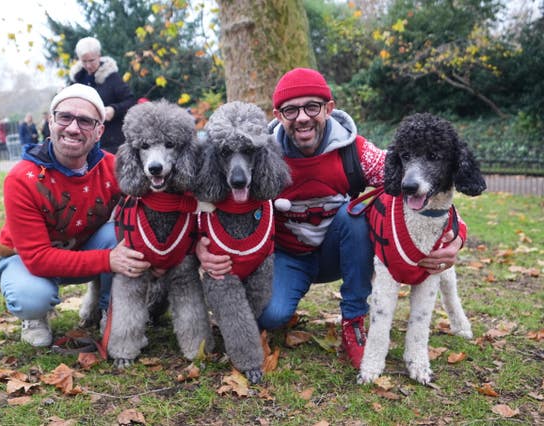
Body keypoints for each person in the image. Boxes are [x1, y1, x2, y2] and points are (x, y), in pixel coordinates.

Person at [196, 68, 465, 368]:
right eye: (291, 110)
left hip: (341, 250)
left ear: (329, 108)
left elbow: (418, 181)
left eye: (312, 107)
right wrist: (199, 245)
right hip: (286, 256)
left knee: (355, 215)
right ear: (278, 114)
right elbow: (208, 198)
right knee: (271, 316)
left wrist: (456, 233)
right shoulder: (259, 153)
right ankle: (281, 304)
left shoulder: (356, 151)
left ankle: (353, 320)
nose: (302, 118)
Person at [0, 84, 154, 347]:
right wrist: (108, 259)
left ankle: (110, 309)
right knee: (31, 297)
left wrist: (200, 236)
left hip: (81, 249)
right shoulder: (21, 178)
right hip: (23, 258)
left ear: (100, 130)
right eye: (65, 117)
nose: (73, 128)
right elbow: (38, 258)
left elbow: (156, 203)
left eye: (86, 121)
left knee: (129, 232)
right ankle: (34, 316)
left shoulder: (113, 167)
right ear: (51, 121)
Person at [69, 36, 136, 154]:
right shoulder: (76, 80)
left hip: (110, 143)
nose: (88, 65)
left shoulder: (112, 78)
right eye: (84, 61)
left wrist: (114, 110)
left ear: (99, 56)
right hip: (83, 141)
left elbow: (130, 101)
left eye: (91, 60)